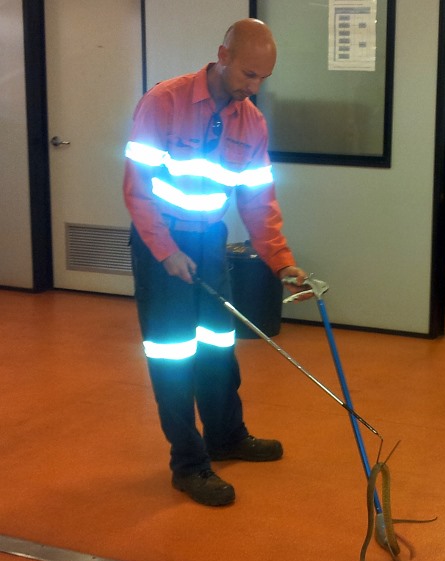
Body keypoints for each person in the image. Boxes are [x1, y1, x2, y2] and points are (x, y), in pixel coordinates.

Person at [123, 18, 310, 507]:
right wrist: (165, 251)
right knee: (173, 355)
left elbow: (258, 201)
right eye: (249, 75)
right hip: (160, 244)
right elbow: (137, 190)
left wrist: (281, 262)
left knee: (217, 346)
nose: (254, 88)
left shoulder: (252, 122)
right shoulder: (163, 102)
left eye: (263, 79)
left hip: (210, 244)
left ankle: (227, 436)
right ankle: (188, 464)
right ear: (222, 57)